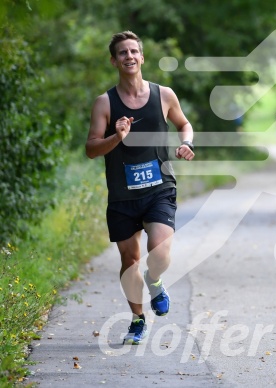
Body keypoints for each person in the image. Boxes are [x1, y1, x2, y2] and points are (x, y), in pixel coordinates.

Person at [85, 31, 195, 345]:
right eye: (122, 53)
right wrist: (116, 137)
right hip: (122, 195)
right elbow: (92, 149)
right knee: (129, 259)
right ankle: (137, 319)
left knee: (159, 251)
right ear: (114, 60)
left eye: (134, 51)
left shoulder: (164, 95)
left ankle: (155, 281)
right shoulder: (105, 103)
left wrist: (186, 143)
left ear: (142, 57)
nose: (129, 56)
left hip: (159, 188)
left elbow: (183, 124)